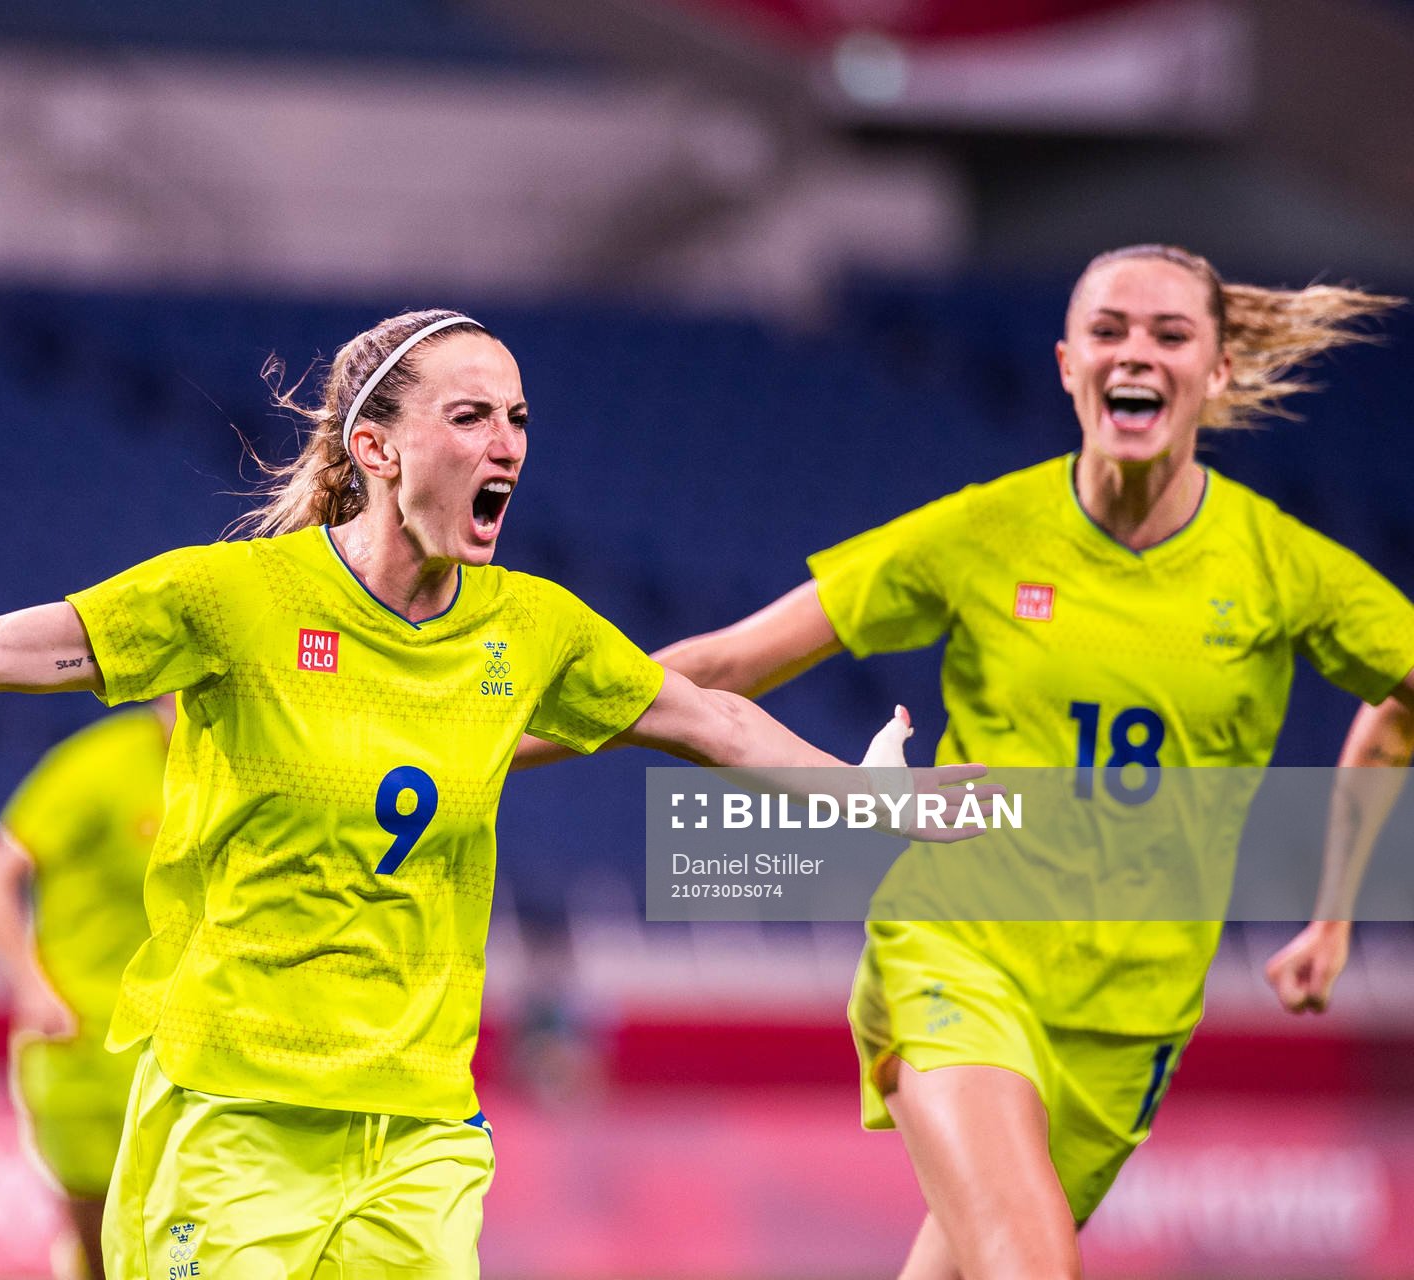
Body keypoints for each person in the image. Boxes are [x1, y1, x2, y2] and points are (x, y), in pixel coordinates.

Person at [0, 308, 987, 1279]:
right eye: (471, 415)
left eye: (520, 418)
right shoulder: (230, 603)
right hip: (230, 1124)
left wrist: (881, 809)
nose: (508, 445)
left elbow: (713, 722)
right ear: (375, 446)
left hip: (422, 1137)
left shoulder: (533, 628)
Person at [585, 246, 1414, 1279]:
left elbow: (1400, 704)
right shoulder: (987, 530)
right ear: (1068, 364)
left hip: (1129, 1024)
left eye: (1169, 334)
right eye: (1109, 330)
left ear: (1220, 372)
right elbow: (726, 659)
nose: (1135, 353)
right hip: (960, 952)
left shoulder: (1285, 566)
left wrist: (1338, 909)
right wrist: (497, 736)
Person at [0, 700, 175, 1280]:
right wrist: (33, 988)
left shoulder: (244, 767)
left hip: (189, 1048)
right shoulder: (96, 765)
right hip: (85, 1043)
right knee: (101, 1240)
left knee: (184, 1235)